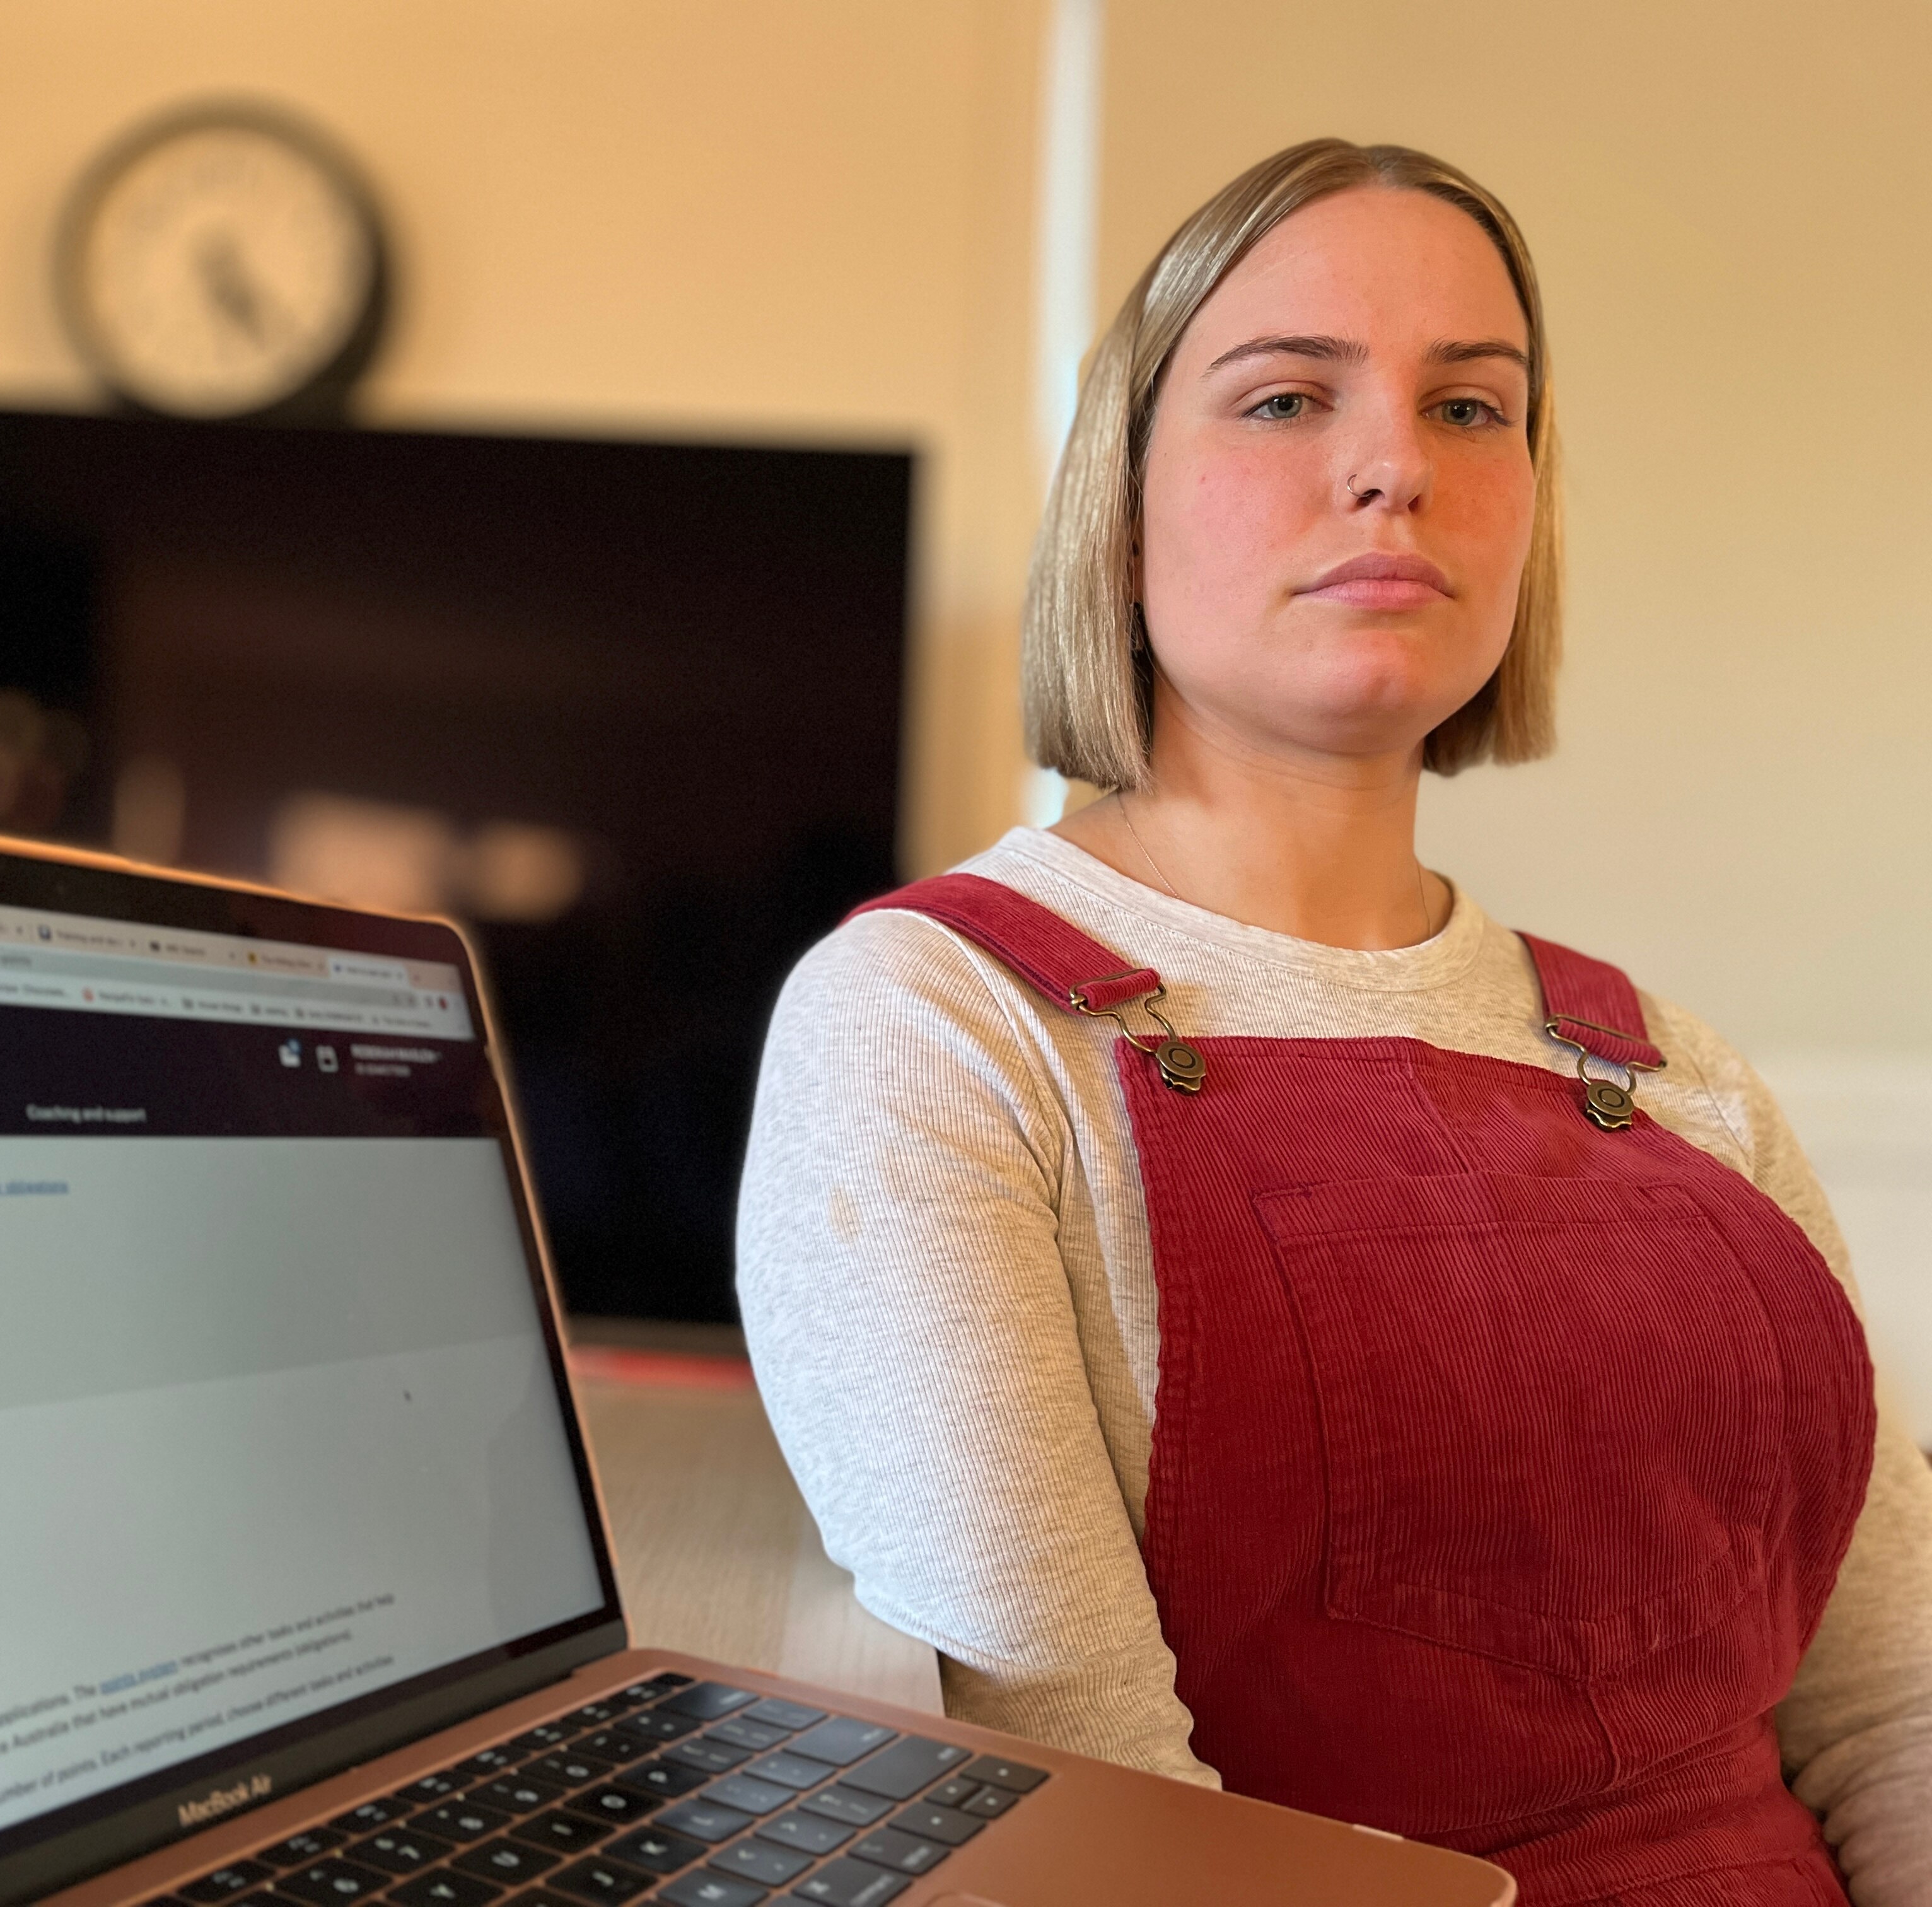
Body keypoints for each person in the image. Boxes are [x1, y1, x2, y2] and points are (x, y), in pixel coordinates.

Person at [736, 139, 1932, 1906]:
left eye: (1473, 410)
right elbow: (1090, 1797)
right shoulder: (938, 1032)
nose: (1393, 467)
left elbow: (1890, 1709)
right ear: (1120, 503)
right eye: (1287, 398)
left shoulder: (1670, 1067)